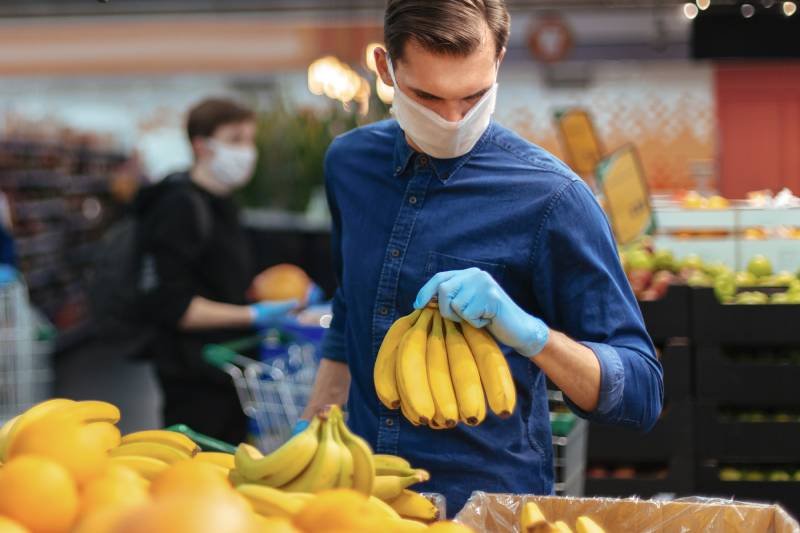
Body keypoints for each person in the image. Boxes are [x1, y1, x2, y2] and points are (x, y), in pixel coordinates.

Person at [301, 0, 663, 514]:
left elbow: (642, 392)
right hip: (360, 499)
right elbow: (350, 308)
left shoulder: (551, 198)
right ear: (385, 68)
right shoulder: (349, 164)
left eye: (473, 96)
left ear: (499, 61)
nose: (453, 120)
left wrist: (533, 335)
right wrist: (317, 421)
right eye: (427, 97)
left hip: (486, 506)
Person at [137, 98, 296, 444]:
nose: (247, 151)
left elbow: (221, 278)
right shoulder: (178, 206)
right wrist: (253, 315)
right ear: (201, 146)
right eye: (235, 139)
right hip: (193, 376)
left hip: (228, 371)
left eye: (250, 140)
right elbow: (174, 305)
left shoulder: (224, 205)